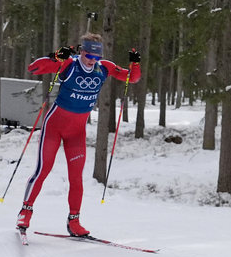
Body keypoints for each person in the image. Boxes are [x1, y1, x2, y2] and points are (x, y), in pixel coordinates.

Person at [16, 33, 141, 236]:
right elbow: (35, 68)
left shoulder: (104, 67)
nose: (92, 60)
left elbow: (132, 78)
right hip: (54, 127)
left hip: (76, 132)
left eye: (96, 57)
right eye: (89, 55)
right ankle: (25, 211)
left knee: (76, 178)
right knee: (43, 170)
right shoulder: (70, 64)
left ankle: (74, 221)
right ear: (81, 51)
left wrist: (135, 64)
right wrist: (56, 57)